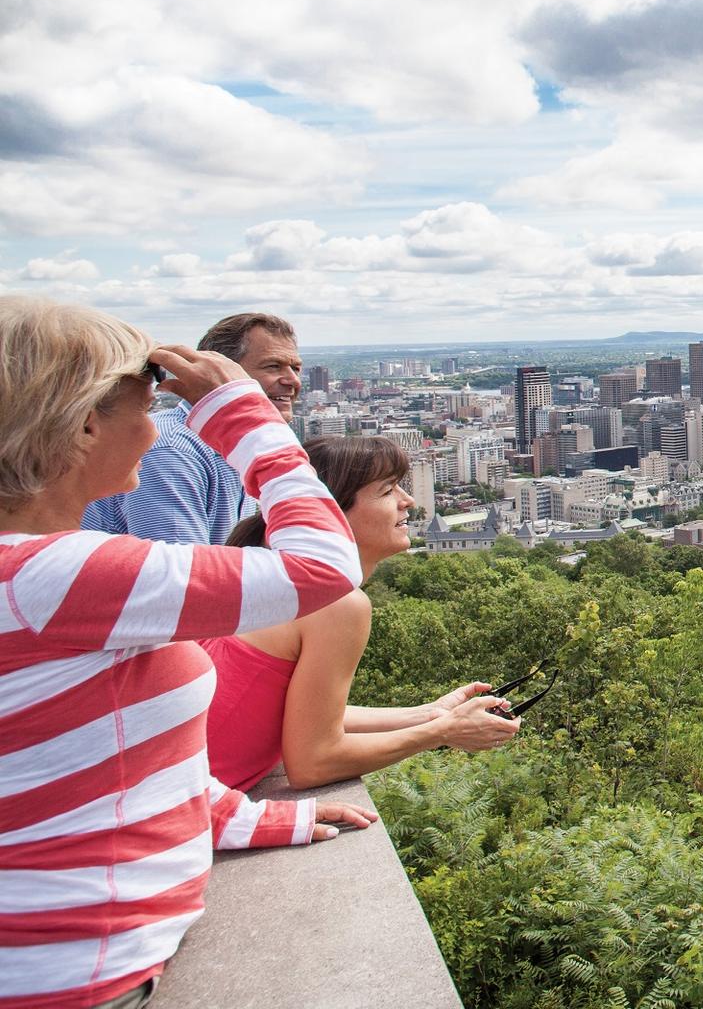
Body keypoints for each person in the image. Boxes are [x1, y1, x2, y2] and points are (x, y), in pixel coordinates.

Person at [0, 297, 373, 1009]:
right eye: (145, 407)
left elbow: (105, 761)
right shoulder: (51, 577)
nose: (159, 428)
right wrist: (241, 413)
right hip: (74, 982)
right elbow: (325, 569)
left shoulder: (30, 580)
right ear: (81, 426)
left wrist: (243, 818)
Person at [203, 436, 519, 791]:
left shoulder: (273, 575)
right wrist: (442, 732)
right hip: (179, 814)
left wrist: (430, 713)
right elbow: (313, 761)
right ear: (334, 512)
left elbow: (302, 718)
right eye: (387, 491)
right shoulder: (335, 603)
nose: (407, 501)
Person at [82, 312, 305, 547]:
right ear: (221, 372)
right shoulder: (173, 452)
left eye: (296, 368)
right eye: (273, 366)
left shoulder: (236, 448)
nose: (292, 380)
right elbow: (180, 578)